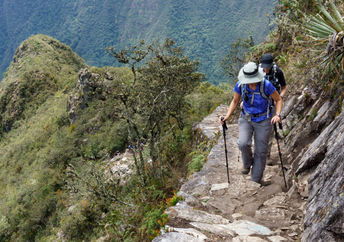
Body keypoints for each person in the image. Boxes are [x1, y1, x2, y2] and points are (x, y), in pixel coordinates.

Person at [220, 62, 283, 186]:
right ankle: (247, 164)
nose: (250, 82)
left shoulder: (266, 85)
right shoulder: (241, 85)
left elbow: (278, 99)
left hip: (264, 119)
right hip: (246, 117)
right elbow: (235, 101)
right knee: (243, 143)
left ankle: (256, 178)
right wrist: (227, 116)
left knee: (261, 151)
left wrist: (277, 115)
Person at [260, 53, 287, 164]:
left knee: (270, 130)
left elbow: (284, 87)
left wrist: (279, 98)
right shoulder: (258, 71)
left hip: (272, 103)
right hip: (260, 103)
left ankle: (267, 156)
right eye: (264, 67)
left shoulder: (278, 72)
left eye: (267, 67)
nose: (265, 69)